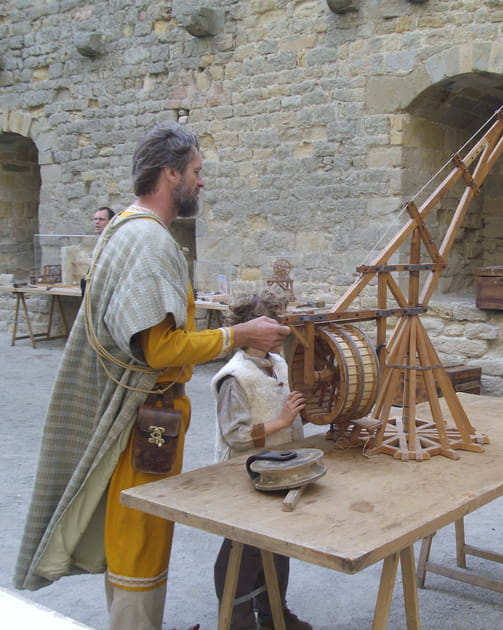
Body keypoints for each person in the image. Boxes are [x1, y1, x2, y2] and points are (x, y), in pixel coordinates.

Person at [14, 121, 291, 630]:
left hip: (143, 410)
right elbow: (158, 348)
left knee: (131, 526)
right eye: (196, 171)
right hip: (148, 415)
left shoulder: (126, 227)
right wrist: (241, 335)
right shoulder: (149, 241)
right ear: (171, 174)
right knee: (140, 533)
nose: (202, 182)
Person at [212, 290, 311, 630]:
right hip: (244, 475)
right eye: (277, 326)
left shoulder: (277, 363)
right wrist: (282, 421)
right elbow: (235, 435)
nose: (284, 332)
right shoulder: (235, 376)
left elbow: (286, 407)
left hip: (278, 469)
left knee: (275, 545)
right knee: (242, 550)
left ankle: (273, 614)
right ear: (258, 331)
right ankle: (237, 621)